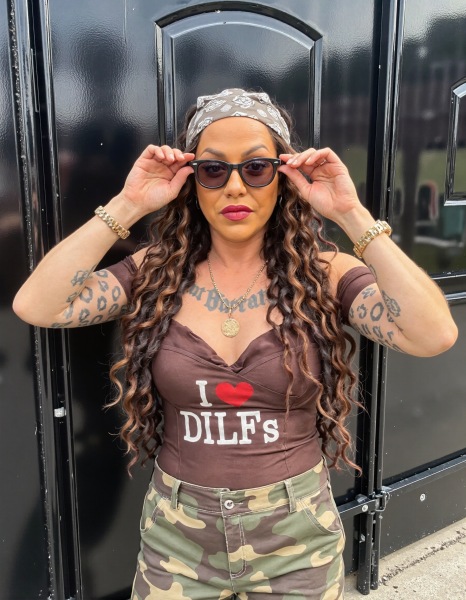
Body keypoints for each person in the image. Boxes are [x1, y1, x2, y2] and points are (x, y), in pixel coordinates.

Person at [13, 88, 457, 600]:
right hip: (178, 537)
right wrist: (128, 205)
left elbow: (433, 333)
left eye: (257, 168)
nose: (235, 187)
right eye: (213, 170)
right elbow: (38, 305)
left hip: (297, 539)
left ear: (283, 176)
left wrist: (352, 214)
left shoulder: (324, 273)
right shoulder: (155, 272)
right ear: (192, 180)